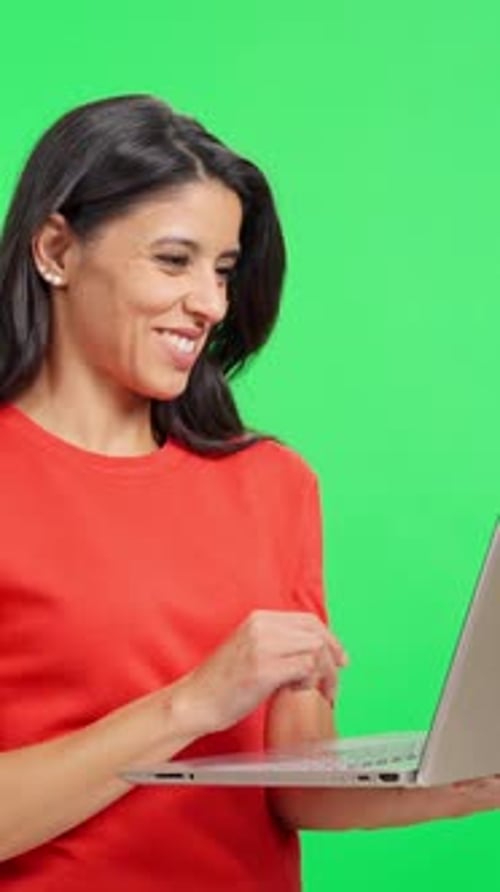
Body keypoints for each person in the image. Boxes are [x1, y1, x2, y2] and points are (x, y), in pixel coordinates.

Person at [0, 95, 498, 892]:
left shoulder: (273, 485)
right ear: (57, 249)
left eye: (224, 270)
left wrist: (470, 778)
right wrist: (193, 704)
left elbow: (294, 788)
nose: (210, 303)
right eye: (175, 260)